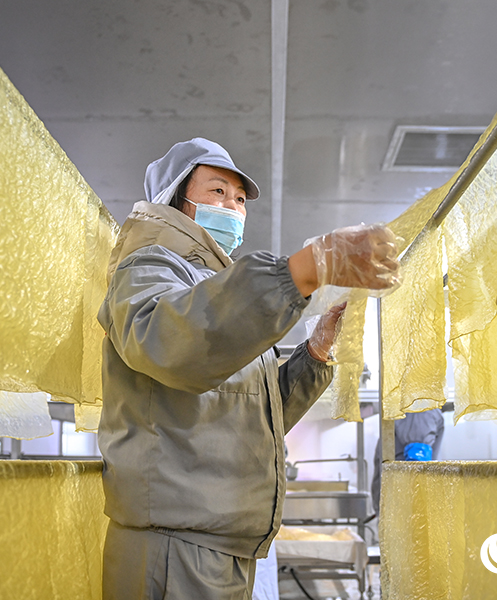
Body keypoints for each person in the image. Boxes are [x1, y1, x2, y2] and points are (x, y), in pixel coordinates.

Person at [97, 137, 400, 600]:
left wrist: (314, 352)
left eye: (239, 199)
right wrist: (304, 269)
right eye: (217, 192)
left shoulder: (212, 288)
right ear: (176, 199)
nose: (233, 207)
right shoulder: (149, 264)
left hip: (216, 539)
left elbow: (258, 410)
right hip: (174, 544)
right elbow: (167, 343)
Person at [370, 409, 445, 516]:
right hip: (398, 506)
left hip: (406, 508)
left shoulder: (418, 410)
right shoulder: (405, 407)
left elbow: (417, 464)